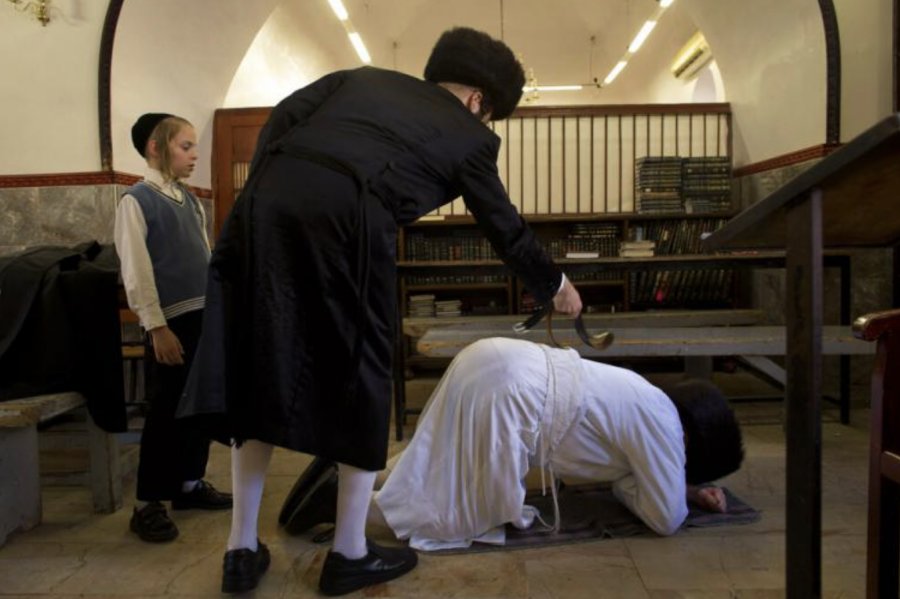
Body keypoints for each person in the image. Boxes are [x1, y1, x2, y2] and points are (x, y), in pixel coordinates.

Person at [177, 27, 582, 596]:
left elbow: (285, 115)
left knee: (257, 360)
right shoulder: (470, 136)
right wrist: (555, 284)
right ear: (478, 101)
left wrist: (274, 188)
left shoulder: (361, 78)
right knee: (362, 376)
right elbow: (503, 225)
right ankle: (349, 553)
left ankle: (240, 550)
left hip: (264, 205)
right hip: (351, 216)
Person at [283, 337, 745, 550]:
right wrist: (682, 491)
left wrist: (674, 484)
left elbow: (640, 478)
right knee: (464, 512)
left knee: (434, 457)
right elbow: (665, 518)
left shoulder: (647, 394)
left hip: (493, 357)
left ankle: (348, 472)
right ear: (693, 443)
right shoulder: (666, 427)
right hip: (515, 393)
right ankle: (341, 504)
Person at [114, 113, 232, 543]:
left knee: (200, 406)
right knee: (166, 411)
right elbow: (137, 272)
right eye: (185, 146)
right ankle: (147, 503)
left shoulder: (189, 201)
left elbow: (204, 256)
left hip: (202, 316)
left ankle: (188, 484)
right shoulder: (137, 201)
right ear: (155, 147)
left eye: (194, 146)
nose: (194, 155)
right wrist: (156, 327)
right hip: (171, 323)